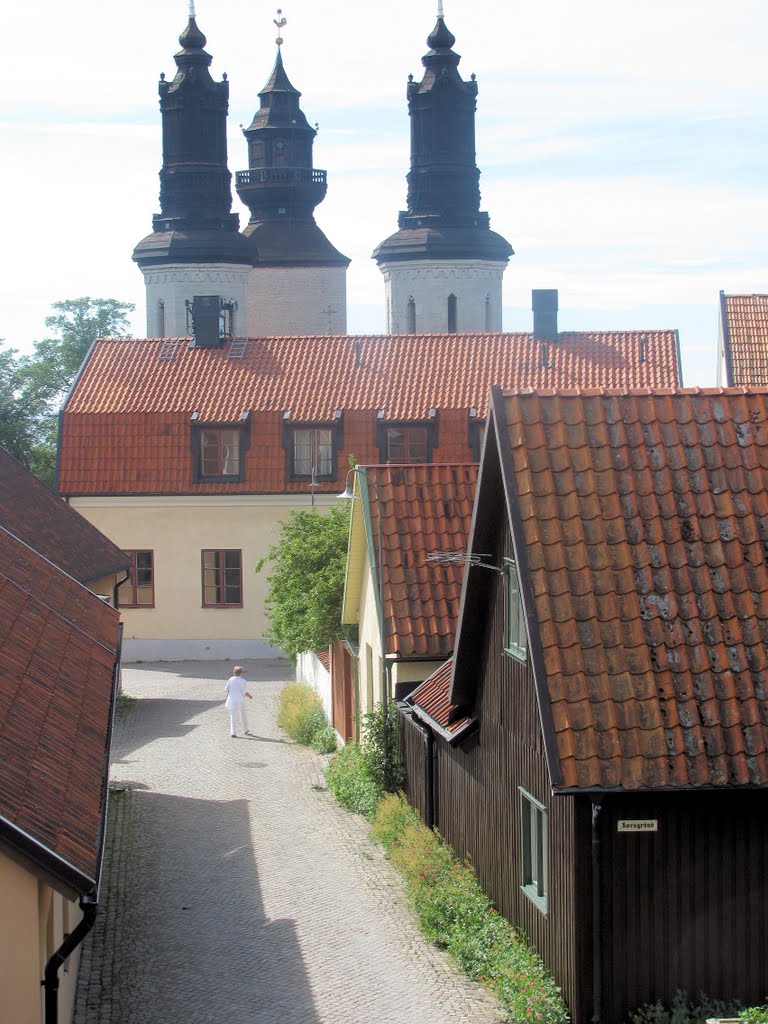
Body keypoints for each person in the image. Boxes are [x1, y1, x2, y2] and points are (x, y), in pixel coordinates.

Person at [224, 665, 252, 738]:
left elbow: (226, 689)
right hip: (240, 700)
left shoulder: (230, 679)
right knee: (243, 715)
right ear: (241, 673)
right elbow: (244, 692)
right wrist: (250, 696)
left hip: (232, 700)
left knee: (233, 717)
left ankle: (233, 732)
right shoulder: (243, 681)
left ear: (234, 672)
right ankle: (245, 729)